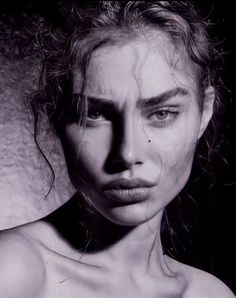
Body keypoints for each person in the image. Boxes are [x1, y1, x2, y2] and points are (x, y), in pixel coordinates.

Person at [0, 1, 235, 297]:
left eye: (161, 113)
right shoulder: (11, 270)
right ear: (57, 117)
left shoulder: (210, 294)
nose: (127, 154)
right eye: (95, 113)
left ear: (204, 113)